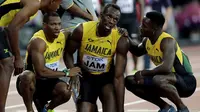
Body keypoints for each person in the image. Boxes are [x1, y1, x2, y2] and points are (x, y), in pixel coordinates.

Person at [126, 11, 196, 112]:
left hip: (185, 82)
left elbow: (166, 68)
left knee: (158, 80)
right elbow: (136, 50)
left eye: (144, 26)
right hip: (165, 79)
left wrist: (144, 73)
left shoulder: (167, 41)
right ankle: (166, 108)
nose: (140, 27)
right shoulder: (147, 41)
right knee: (130, 81)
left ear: (154, 28)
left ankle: (182, 108)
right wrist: (125, 36)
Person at [64, 3, 129, 112]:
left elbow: (119, 77)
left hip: (106, 79)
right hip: (85, 77)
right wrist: (72, 72)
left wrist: (121, 109)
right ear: (101, 15)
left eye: (115, 19)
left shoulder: (120, 39)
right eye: (109, 16)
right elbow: (68, 53)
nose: (111, 21)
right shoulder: (82, 30)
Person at [0, 0, 61, 111]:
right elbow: (12, 28)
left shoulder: (34, 9)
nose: (59, 7)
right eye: (59, 3)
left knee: (5, 63)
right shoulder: (34, 4)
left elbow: (9, 28)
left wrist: (12, 52)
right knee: (7, 64)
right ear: (52, 1)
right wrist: (18, 57)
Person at [16, 12, 82, 112]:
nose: (57, 27)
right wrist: (67, 72)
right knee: (27, 76)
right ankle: (30, 110)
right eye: (53, 24)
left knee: (66, 91)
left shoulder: (63, 36)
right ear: (44, 25)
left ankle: (46, 109)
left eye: (59, 24)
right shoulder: (38, 42)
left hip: (50, 81)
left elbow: (80, 36)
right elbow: (41, 72)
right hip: (32, 83)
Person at [113, 0, 144, 74]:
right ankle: (123, 69)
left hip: (132, 21)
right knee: (120, 45)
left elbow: (141, 3)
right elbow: (113, 3)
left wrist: (141, 20)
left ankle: (135, 68)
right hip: (120, 21)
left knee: (134, 44)